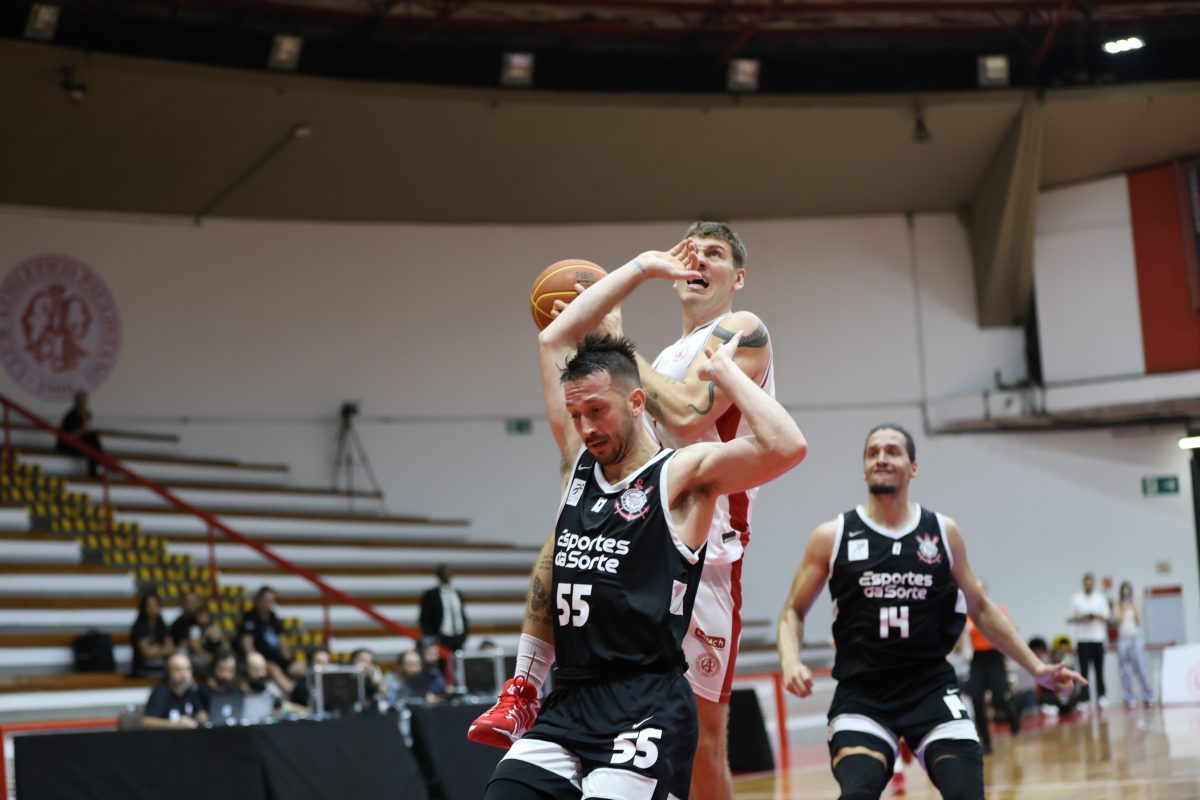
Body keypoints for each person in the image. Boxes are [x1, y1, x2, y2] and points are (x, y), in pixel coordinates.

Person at [480, 243, 806, 800]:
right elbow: (552, 340)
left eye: (597, 411)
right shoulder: (579, 461)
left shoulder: (681, 474)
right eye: (576, 414)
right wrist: (639, 270)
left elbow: (787, 446)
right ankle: (523, 688)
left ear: (635, 403)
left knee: (707, 751)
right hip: (571, 698)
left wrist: (729, 375)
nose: (585, 426)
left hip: (644, 702)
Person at [777, 425, 1084, 800]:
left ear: (913, 467)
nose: (881, 459)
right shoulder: (833, 535)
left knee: (967, 794)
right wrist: (790, 660)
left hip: (931, 688)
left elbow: (981, 608)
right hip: (863, 694)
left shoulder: (942, 532)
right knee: (857, 793)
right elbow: (793, 610)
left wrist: (1036, 668)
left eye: (892, 451)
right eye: (873, 452)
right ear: (864, 468)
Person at [962, 579, 1018, 752]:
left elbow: (1013, 629)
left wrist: (1008, 650)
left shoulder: (996, 609)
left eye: (981, 589)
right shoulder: (968, 613)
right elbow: (962, 637)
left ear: (985, 591)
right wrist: (962, 652)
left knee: (999, 698)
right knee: (976, 698)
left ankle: (1011, 715)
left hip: (995, 656)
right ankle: (986, 742)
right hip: (978, 659)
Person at [238, 585, 296, 694]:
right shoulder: (250, 617)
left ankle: (307, 692)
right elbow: (247, 642)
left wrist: (289, 660)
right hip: (262, 660)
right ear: (258, 600)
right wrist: (255, 661)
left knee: (299, 667)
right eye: (266, 601)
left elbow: (281, 640)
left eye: (271, 601)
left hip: (276, 657)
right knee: (274, 669)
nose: (269, 604)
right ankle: (294, 693)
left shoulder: (273, 617)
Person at [1068, 572, 1111, 707]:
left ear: (1094, 584)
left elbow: (1107, 618)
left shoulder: (1100, 598)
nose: (1089, 586)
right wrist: (1082, 618)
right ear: (1083, 584)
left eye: (1091, 584)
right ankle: (1084, 698)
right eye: (1086, 584)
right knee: (1084, 671)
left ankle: (1101, 696)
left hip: (1097, 639)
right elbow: (1069, 618)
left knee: (1099, 669)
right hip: (1083, 639)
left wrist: (1096, 616)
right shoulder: (1076, 599)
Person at [1114, 581, 1155, 708]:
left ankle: (1148, 695)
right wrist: (1124, 608)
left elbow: (1138, 622)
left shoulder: (1135, 604)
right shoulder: (1118, 605)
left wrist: (1133, 607)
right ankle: (1129, 697)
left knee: (1141, 668)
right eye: (1124, 592)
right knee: (1126, 670)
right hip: (1124, 639)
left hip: (1136, 638)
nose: (1126, 594)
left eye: (1128, 591)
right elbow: (1118, 621)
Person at [141, 652, 208, 729]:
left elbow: (201, 713)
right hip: (168, 735)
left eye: (187, 669)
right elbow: (146, 722)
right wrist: (175, 724)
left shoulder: (190, 691)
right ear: (169, 672)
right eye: (178, 670)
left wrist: (201, 718)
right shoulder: (161, 692)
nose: (184, 674)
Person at [419, 564, 469, 652]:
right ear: (438, 575)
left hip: (458, 635)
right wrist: (433, 637)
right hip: (441, 636)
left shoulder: (457, 593)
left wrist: (464, 634)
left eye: (449, 573)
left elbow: (461, 614)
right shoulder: (431, 595)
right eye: (444, 573)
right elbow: (425, 618)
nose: (447, 575)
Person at [56, 391, 104, 477]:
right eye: (81, 400)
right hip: (67, 445)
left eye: (84, 400)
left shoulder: (87, 414)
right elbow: (68, 437)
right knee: (92, 439)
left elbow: (85, 432)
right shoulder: (71, 416)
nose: (83, 403)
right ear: (76, 401)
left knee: (92, 439)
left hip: (79, 444)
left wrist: (84, 429)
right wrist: (82, 430)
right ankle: (101, 460)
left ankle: (99, 462)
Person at [130, 590, 174, 678]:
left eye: (155, 605)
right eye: (149, 605)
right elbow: (146, 653)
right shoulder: (139, 627)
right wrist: (161, 649)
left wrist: (155, 649)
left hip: (161, 665)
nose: (153, 608)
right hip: (143, 668)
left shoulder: (162, 625)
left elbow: (170, 648)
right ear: (143, 607)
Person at [198, 648, 243, 715]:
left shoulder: (237, 691)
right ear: (213, 668)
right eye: (221, 669)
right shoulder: (202, 692)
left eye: (231, 670)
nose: (226, 675)